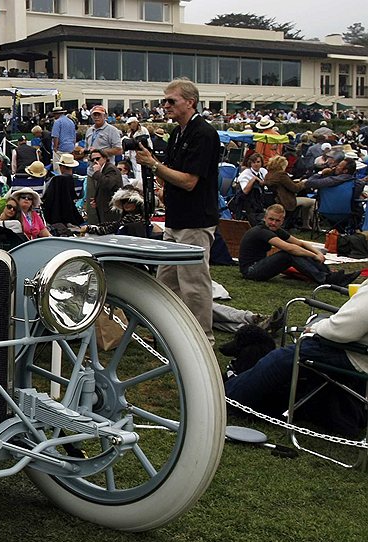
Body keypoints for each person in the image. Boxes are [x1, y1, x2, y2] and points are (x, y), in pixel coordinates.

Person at [134, 78, 222, 342]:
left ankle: (202, 338)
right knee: (166, 282)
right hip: (176, 217)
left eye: (171, 100)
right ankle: (166, 331)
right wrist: (157, 173)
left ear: (190, 102)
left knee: (193, 283)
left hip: (195, 220)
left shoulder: (204, 134)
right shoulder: (177, 133)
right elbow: (172, 175)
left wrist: (153, 164)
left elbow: (189, 180)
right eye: (164, 100)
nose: (165, 105)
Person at [225, 278, 368, 437]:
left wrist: (315, 328)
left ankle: (229, 398)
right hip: (358, 350)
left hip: (353, 353)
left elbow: (341, 331)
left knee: (280, 359)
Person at [239, 204, 359, 286]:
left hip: (259, 265)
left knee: (298, 250)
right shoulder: (261, 231)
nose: (273, 223)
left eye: (277, 220)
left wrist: (317, 252)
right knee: (289, 254)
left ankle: (330, 275)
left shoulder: (275, 229)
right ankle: (325, 279)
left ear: (282, 221)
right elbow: (289, 248)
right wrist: (313, 255)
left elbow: (300, 243)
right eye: (271, 219)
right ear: (265, 218)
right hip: (251, 271)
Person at [263, 155, 310, 229]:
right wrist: (303, 183)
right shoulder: (281, 175)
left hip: (273, 200)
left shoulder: (268, 175)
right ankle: (307, 225)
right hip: (285, 201)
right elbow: (295, 188)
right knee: (311, 202)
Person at [81, 187, 145, 237]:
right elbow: (115, 224)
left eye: (129, 202)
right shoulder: (133, 217)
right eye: (123, 202)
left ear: (137, 203)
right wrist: (96, 225)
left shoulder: (132, 218)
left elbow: (110, 229)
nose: (126, 204)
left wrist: (88, 228)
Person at [77, 105, 122, 175]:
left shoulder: (112, 130)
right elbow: (87, 148)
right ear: (91, 116)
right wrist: (83, 151)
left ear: (105, 116)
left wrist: (99, 151)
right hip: (90, 170)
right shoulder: (89, 130)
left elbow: (119, 150)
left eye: (99, 115)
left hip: (105, 171)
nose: (97, 117)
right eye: (94, 115)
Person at [42, 153, 84, 227]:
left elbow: (46, 196)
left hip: (54, 215)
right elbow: (80, 196)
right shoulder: (79, 181)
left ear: (61, 167)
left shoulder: (54, 180)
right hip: (73, 214)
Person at [85, 148, 122, 225]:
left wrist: (97, 173)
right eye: (92, 160)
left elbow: (108, 184)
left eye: (98, 158)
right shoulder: (103, 170)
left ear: (105, 158)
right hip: (104, 208)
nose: (95, 161)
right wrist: (96, 199)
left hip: (111, 210)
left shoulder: (110, 169)